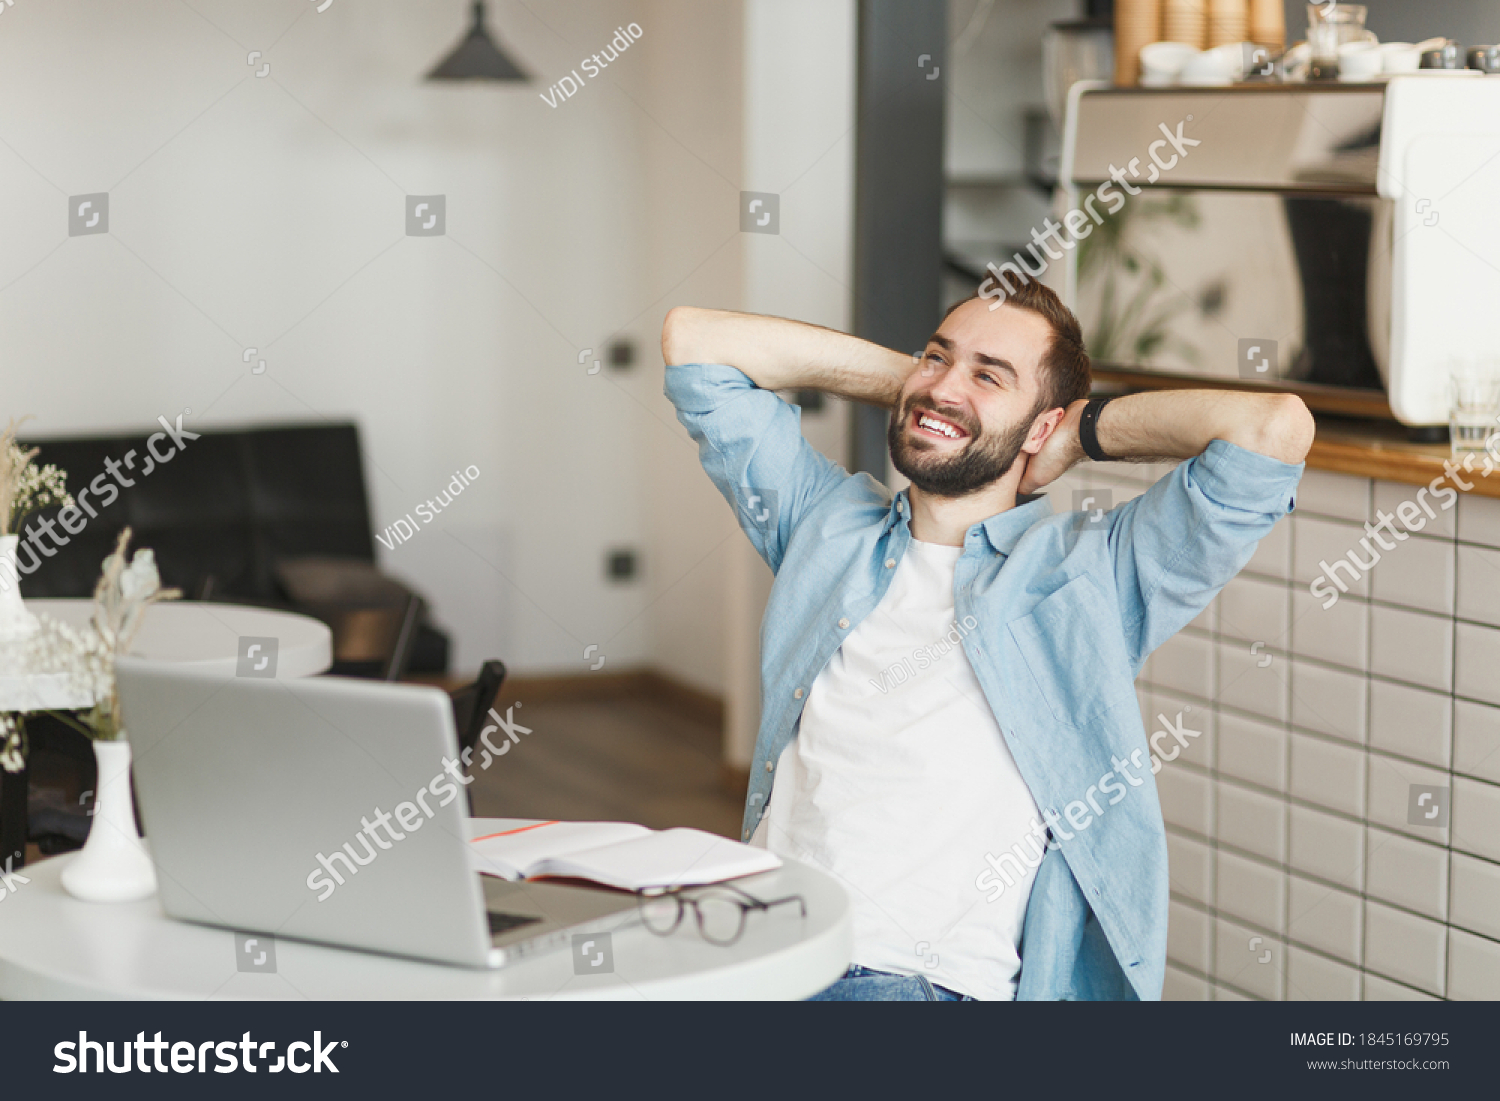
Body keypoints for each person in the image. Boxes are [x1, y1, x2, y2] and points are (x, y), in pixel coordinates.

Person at [659, 280, 1311, 1001]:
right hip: (751, 951)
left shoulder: (1090, 575)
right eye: (936, 356)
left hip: (903, 982)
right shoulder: (826, 524)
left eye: (989, 374)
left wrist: (1081, 429)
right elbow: (695, 343)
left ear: (1043, 426)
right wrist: (926, 389)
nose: (945, 385)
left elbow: (1273, 430)